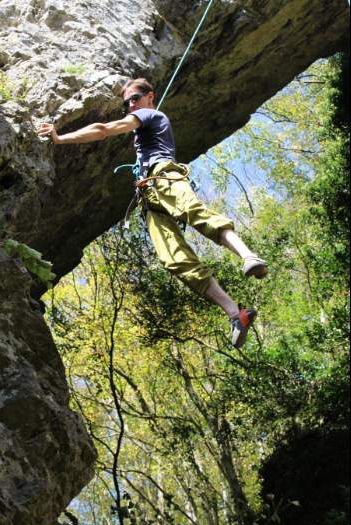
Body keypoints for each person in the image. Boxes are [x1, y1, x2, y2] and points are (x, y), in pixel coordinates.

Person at [36, 78, 268, 349]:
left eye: (135, 98)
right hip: (148, 197)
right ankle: (235, 315)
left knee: (196, 213)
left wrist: (60, 137)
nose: (130, 105)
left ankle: (249, 256)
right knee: (174, 259)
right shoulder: (143, 119)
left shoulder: (149, 114)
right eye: (126, 103)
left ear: (150, 97)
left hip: (164, 177)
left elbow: (103, 130)